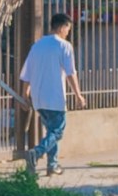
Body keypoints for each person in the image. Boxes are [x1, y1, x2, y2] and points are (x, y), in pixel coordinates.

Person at [19, 13, 84, 175]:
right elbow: (70, 73)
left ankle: (53, 165)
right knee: (57, 131)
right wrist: (78, 95)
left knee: (51, 132)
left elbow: (26, 74)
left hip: (39, 98)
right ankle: (37, 152)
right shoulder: (64, 46)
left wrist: (25, 95)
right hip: (55, 96)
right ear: (62, 27)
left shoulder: (37, 45)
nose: (68, 33)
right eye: (67, 29)